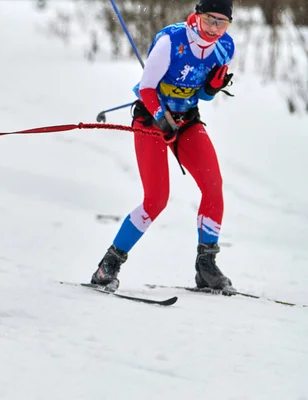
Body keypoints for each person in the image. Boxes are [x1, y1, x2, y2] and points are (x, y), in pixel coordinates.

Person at [91, 0, 236, 292]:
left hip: (187, 120)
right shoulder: (172, 39)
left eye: (222, 23)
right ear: (197, 15)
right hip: (151, 117)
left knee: (213, 186)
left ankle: (205, 267)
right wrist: (160, 117)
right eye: (209, 20)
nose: (214, 29)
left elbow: (204, 97)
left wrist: (211, 87)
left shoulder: (225, 47)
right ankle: (108, 266)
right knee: (156, 199)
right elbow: (146, 87)